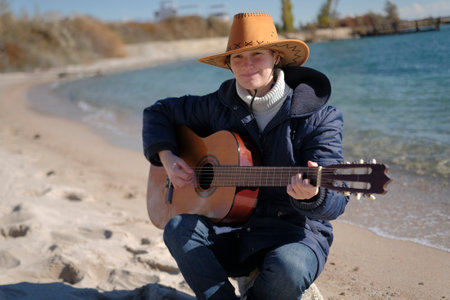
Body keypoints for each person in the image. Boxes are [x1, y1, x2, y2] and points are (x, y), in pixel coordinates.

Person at [142, 12, 349, 300]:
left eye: (257, 54)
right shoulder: (217, 105)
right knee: (177, 228)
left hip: (294, 235)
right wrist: (165, 156)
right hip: (233, 231)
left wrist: (313, 195)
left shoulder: (319, 117)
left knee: (289, 269)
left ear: (276, 57)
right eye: (237, 57)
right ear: (228, 64)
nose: (246, 65)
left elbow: (336, 202)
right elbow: (158, 112)